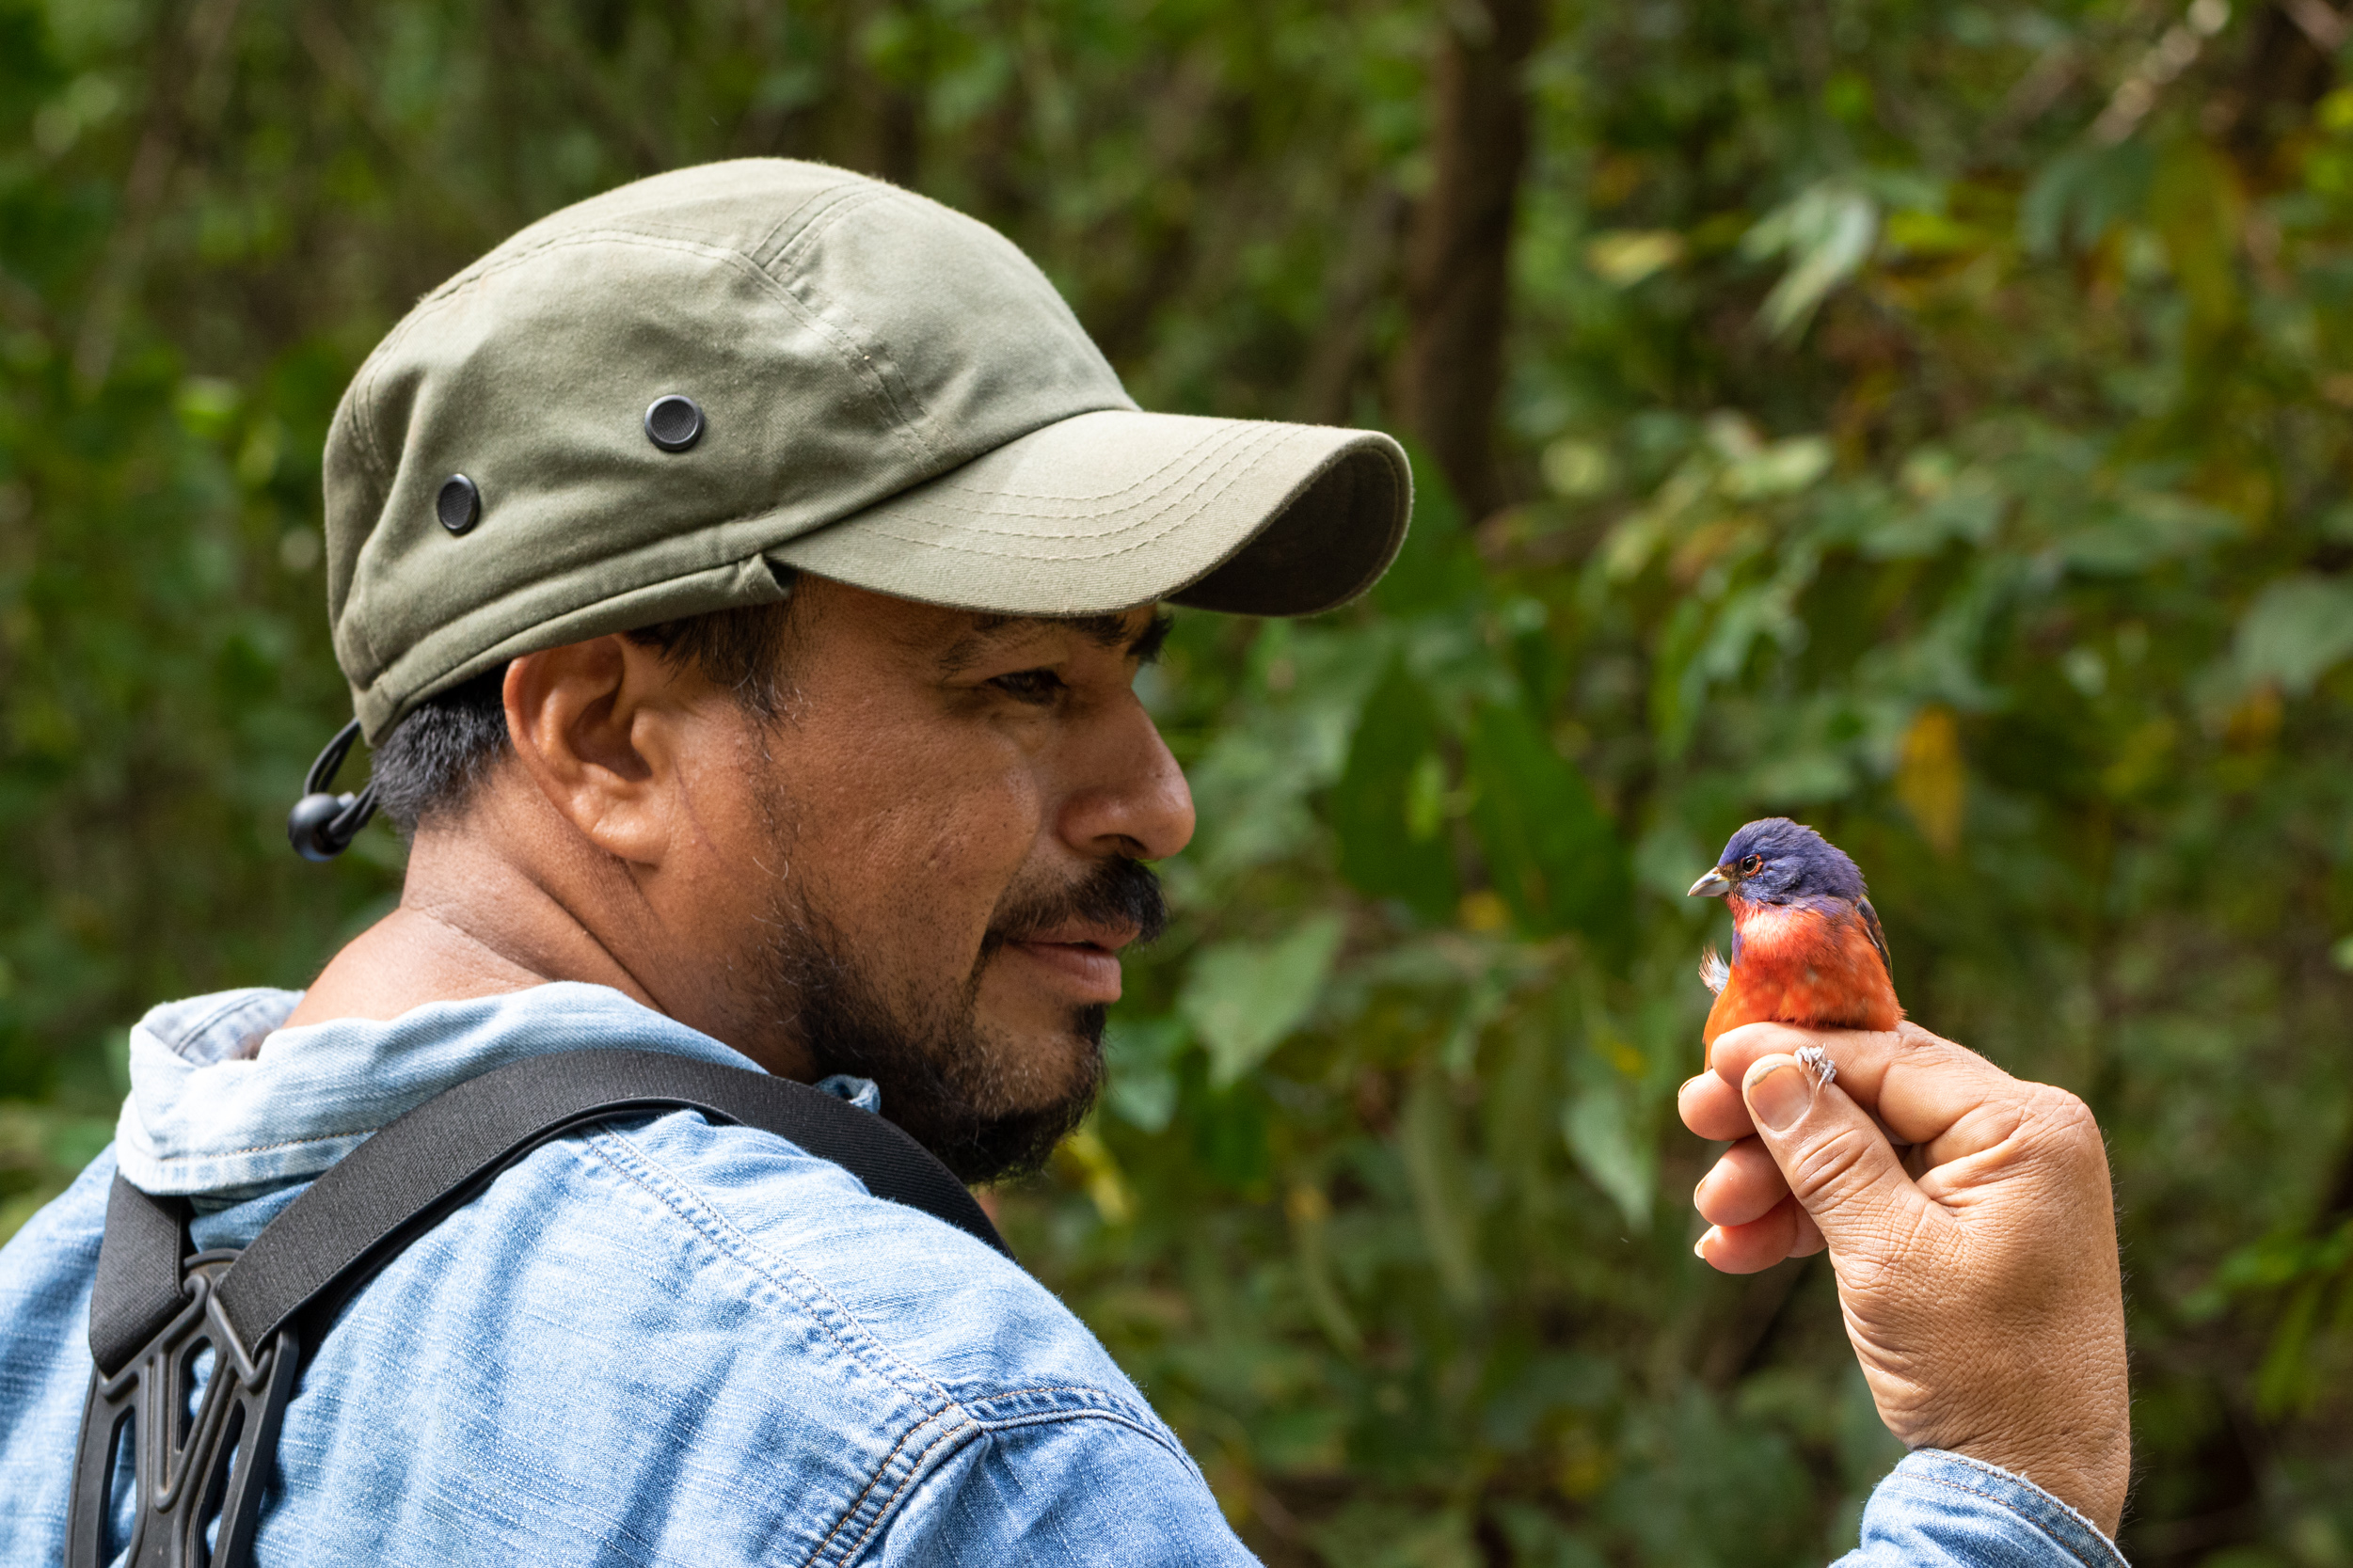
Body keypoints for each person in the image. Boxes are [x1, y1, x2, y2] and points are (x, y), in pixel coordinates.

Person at [0, 160, 2127, 1566]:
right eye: (1018, 687)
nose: (1155, 800)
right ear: (607, 731)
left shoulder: (50, 1321)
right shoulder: (925, 1432)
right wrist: (2009, 1485)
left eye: (1133, 673)